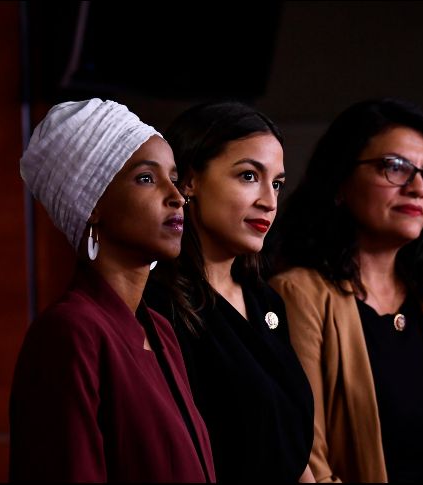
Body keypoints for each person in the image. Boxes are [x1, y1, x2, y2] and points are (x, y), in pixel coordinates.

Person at [10, 98, 215, 482]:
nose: (176, 196)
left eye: (173, 178)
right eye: (146, 178)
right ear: (91, 202)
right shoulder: (70, 333)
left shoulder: (161, 331)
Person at [268, 97, 423, 483]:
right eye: (394, 167)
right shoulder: (298, 295)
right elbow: (305, 461)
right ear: (340, 183)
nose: (417, 188)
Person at [144, 101, 314, 483]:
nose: (269, 202)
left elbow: (292, 452)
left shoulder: (266, 299)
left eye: (276, 183)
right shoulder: (157, 304)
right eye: (249, 176)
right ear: (189, 181)